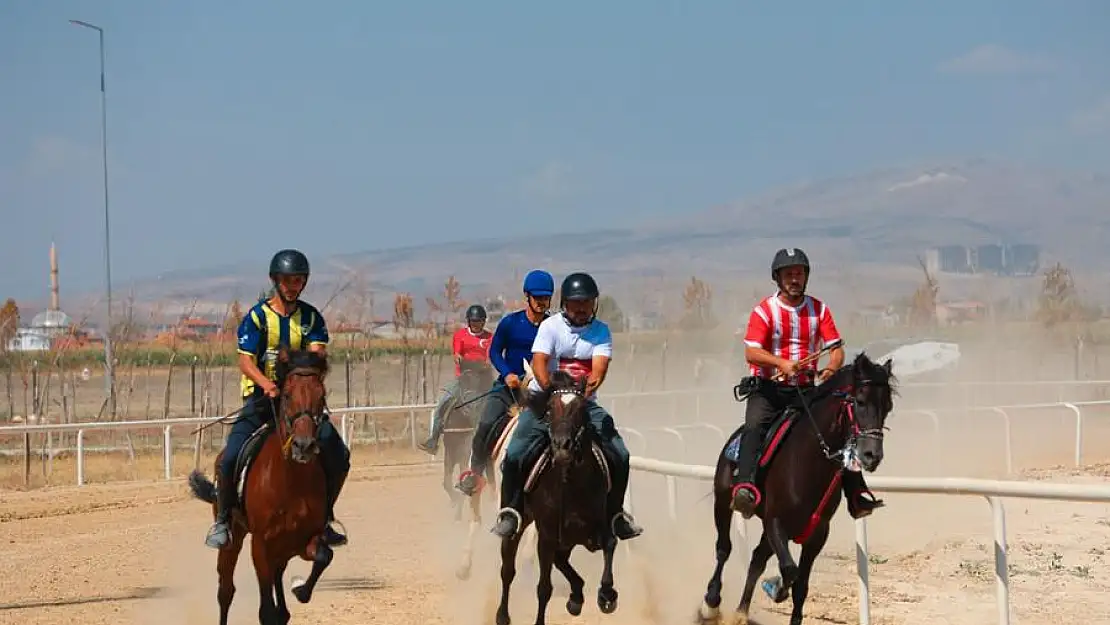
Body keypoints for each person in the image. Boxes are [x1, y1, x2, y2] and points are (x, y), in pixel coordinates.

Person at [204, 249, 351, 550]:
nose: (292, 286)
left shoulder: (312, 318)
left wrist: (302, 385)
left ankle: (325, 517)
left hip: (300, 406)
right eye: (286, 280)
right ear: (275, 280)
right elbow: (245, 362)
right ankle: (222, 522)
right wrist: (267, 384)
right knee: (230, 458)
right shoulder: (257, 317)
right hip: (261, 401)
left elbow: (318, 355)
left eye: (298, 280)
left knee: (339, 456)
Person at [730, 247, 883, 520]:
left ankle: (856, 493)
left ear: (806, 276)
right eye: (788, 274)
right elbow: (751, 352)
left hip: (805, 390)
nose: (794, 279)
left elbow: (835, 348)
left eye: (799, 274)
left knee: (843, 427)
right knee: (754, 427)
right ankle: (745, 487)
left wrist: (831, 369)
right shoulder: (764, 311)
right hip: (767, 389)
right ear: (777, 279)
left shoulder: (819, 309)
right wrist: (781, 364)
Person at [489, 272, 643, 541]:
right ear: (565, 305)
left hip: (582, 404)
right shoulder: (550, 328)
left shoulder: (601, 331)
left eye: (587, 303)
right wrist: (550, 390)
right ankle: (510, 512)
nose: (582, 309)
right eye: (576, 304)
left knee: (620, 453)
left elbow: (599, 368)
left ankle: (616, 515)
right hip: (544, 400)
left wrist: (586, 390)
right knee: (514, 453)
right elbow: (539, 361)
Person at [455, 270, 554, 496]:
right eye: (537, 296)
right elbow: (495, 352)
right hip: (509, 390)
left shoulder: (553, 325)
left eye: (545, 297)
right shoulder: (510, 323)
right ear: (526, 296)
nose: (541, 301)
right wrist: (508, 373)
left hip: (541, 391)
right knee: (486, 423)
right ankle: (475, 474)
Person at [418, 304, 493, 454]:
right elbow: (457, 356)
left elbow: (489, 362)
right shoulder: (460, 336)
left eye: (479, 321)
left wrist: (476, 365)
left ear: (484, 322)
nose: (476, 324)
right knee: (442, 405)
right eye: (473, 321)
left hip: (483, 383)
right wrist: (469, 363)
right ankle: (433, 440)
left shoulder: (490, 338)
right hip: (463, 381)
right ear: (468, 322)